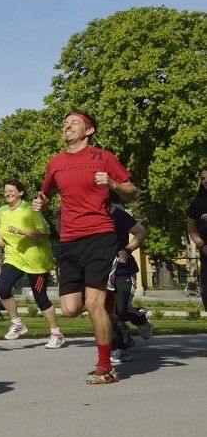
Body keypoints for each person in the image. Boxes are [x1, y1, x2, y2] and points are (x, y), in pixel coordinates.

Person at [33, 110, 139, 384]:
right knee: (70, 309)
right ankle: (110, 310)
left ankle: (106, 367)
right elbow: (46, 193)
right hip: (69, 240)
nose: (67, 126)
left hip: (100, 237)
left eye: (74, 123)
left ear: (89, 130)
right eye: (65, 123)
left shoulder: (103, 157)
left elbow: (133, 192)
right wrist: (41, 204)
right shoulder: (55, 163)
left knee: (93, 304)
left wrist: (113, 183)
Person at [0, 179, 65, 348]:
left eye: (11, 190)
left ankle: (56, 333)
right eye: (6, 191)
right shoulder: (1, 211)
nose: (8, 193)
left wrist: (22, 231)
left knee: (40, 297)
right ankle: (18, 324)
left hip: (36, 261)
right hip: (14, 258)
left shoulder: (31, 210)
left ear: (20, 192)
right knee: (2, 288)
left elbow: (45, 233)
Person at [106, 202, 151, 363]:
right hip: (100, 272)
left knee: (121, 309)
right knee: (106, 311)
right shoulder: (86, 215)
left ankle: (140, 317)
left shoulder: (117, 213)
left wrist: (127, 250)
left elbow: (141, 232)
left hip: (122, 270)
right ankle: (118, 347)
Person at [186, 168, 207, 313]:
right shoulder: (197, 203)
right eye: (203, 178)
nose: (206, 181)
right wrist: (201, 244)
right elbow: (191, 229)